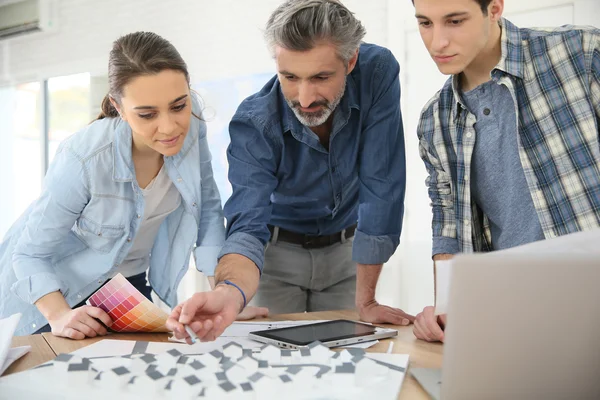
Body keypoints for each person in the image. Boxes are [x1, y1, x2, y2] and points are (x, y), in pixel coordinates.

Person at [168, 0, 412, 343]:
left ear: (351, 60)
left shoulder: (376, 70)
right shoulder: (254, 123)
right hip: (275, 259)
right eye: (290, 77)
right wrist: (229, 294)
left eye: (321, 77)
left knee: (345, 365)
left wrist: (367, 299)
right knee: (276, 367)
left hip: (348, 252)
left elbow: (381, 181)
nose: (305, 96)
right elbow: (248, 224)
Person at [0, 31, 225, 338]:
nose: (170, 127)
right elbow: (27, 255)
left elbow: (209, 210)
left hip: (128, 288)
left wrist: (221, 297)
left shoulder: (193, 130)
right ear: (118, 108)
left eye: (179, 106)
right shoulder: (83, 157)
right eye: (147, 114)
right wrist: (60, 315)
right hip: (60, 296)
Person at [411, 0, 600, 342]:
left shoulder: (581, 53)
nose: (437, 42)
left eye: (454, 21)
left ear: (494, 8)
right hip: (518, 318)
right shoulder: (433, 120)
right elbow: (448, 226)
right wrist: (445, 307)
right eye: (425, 23)